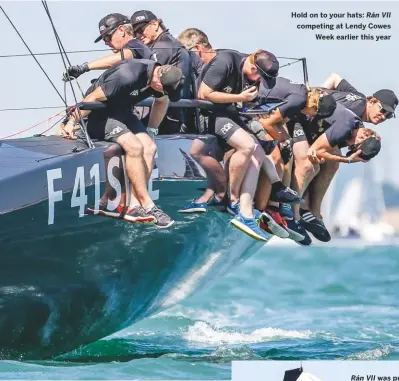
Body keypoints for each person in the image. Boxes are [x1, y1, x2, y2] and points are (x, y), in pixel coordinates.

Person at [60, 58, 185, 228]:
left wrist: (151, 130)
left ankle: (133, 205)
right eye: (164, 89)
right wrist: (71, 123)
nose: (164, 92)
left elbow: (162, 102)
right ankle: (149, 206)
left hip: (121, 113)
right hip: (98, 114)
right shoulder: (128, 75)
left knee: (149, 146)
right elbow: (92, 98)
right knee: (134, 146)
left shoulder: (160, 79)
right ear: (157, 78)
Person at [197, 48, 302, 241]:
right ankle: (234, 201)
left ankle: (246, 212)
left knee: (259, 151)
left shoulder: (253, 74)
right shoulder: (226, 61)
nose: (258, 80)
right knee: (247, 145)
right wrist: (241, 98)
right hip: (207, 115)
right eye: (258, 75)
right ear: (252, 65)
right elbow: (203, 94)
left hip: (229, 114)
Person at [130, 10, 193, 133]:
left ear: (155, 24)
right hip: (169, 113)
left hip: (168, 118)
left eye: (141, 29)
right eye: (135, 33)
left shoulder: (163, 46)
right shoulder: (166, 43)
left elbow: (142, 79)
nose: (138, 35)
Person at [62, 13, 154, 81]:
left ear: (121, 30)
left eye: (107, 37)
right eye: (104, 39)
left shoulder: (134, 43)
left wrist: (84, 68)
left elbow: (121, 57)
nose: (106, 43)